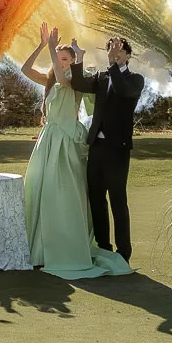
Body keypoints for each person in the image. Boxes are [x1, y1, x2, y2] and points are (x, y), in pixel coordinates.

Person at [18, 24, 130, 280]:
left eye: (65, 59)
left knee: (63, 193)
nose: (60, 62)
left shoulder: (76, 81)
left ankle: (65, 245)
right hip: (48, 139)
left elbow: (63, 80)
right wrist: (41, 45)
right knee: (41, 190)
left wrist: (54, 50)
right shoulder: (50, 79)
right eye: (58, 58)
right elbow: (25, 70)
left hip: (66, 140)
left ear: (72, 61)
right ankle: (40, 248)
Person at [70, 34, 145, 262]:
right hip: (97, 146)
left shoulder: (135, 80)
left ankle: (123, 253)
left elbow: (123, 91)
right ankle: (104, 247)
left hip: (117, 149)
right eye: (111, 50)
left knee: (118, 202)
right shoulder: (102, 77)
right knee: (96, 199)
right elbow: (78, 84)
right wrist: (79, 58)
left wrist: (113, 63)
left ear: (128, 56)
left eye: (119, 51)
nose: (114, 54)